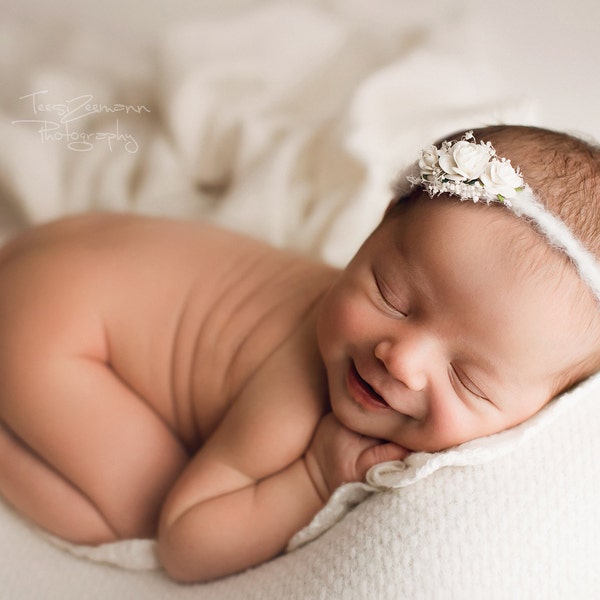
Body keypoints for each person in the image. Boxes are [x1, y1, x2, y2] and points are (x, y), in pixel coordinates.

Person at [0, 125, 599, 583]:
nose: (400, 359)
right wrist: (316, 474)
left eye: (467, 379)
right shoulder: (296, 384)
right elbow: (187, 541)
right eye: (391, 295)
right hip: (50, 330)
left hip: (70, 249)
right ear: (379, 227)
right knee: (140, 512)